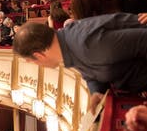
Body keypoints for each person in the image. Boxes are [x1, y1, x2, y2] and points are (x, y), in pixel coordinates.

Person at [12, 15, 147, 108]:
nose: (36, 65)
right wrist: (96, 92)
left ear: (39, 55)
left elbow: (143, 40)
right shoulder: (67, 45)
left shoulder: (88, 45)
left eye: (32, 61)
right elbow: (92, 74)